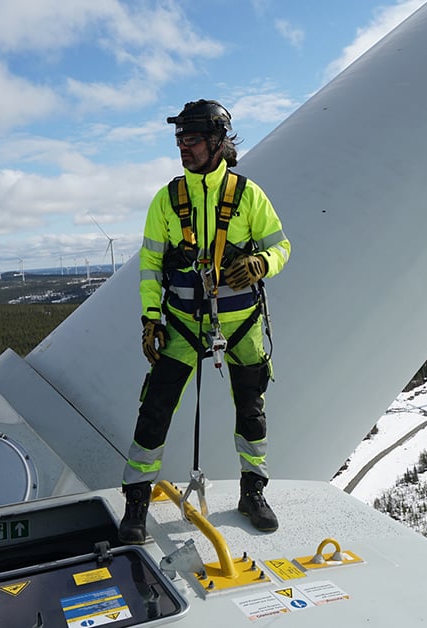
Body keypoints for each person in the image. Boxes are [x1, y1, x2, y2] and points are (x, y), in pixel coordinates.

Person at [119, 99, 291, 544]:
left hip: (241, 326)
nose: (183, 147)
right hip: (179, 326)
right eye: (179, 139)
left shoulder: (248, 195)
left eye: (191, 138)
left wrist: (260, 263)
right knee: (154, 410)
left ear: (218, 141)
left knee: (251, 411)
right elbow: (151, 266)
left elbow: (282, 247)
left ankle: (253, 492)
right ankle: (136, 501)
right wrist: (150, 319)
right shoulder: (167, 199)